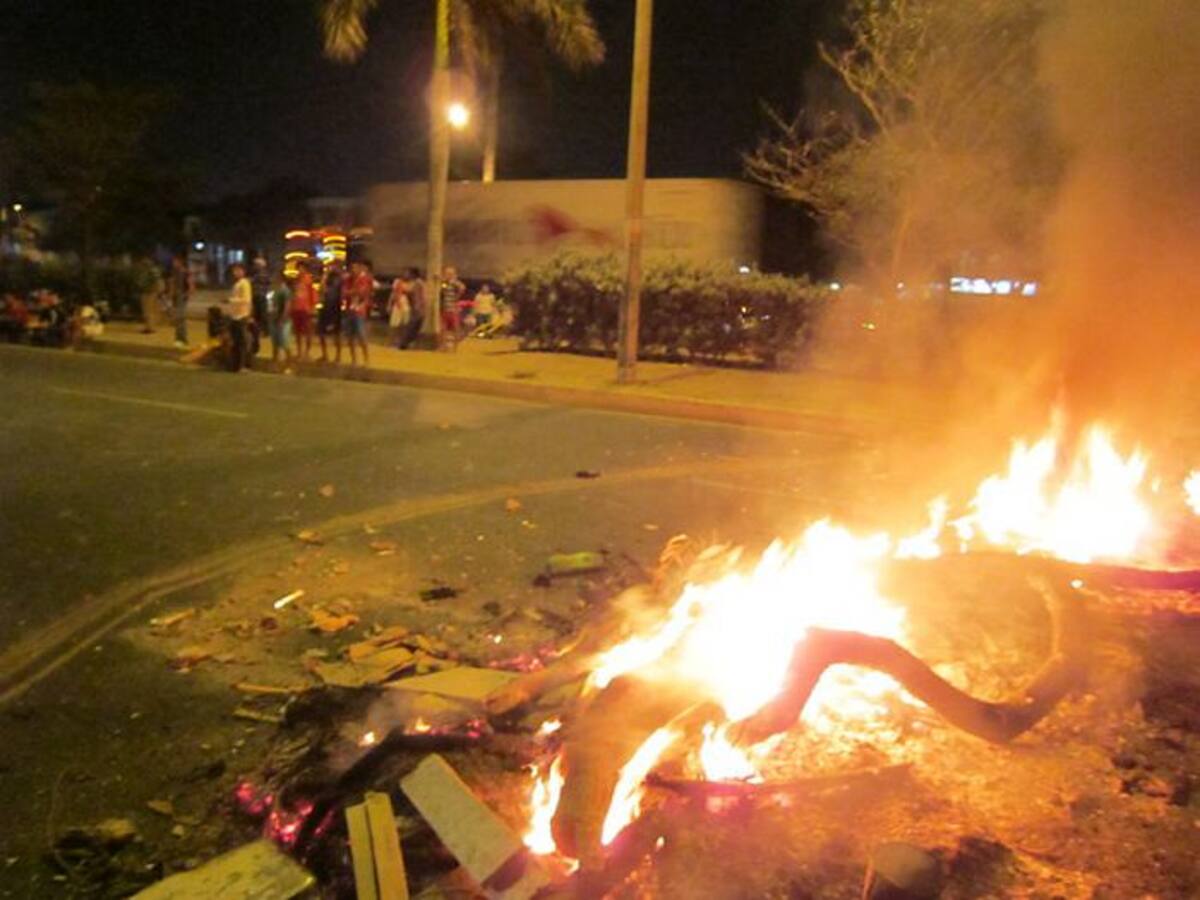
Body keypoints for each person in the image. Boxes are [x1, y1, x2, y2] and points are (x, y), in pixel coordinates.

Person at [343, 259, 373, 366]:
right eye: (352, 268)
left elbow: (362, 293)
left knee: (361, 335)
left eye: (355, 268)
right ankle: (354, 359)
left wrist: (352, 292)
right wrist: (352, 292)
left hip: (359, 310)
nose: (353, 270)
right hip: (349, 310)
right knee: (350, 337)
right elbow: (344, 293)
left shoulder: (364, 279)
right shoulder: (348, 280)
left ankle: (366, 359)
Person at [225, 262, 253, 370]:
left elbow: (246, 300)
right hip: (235, 315)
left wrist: (231, 300)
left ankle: (242, 364)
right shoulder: (238, 284)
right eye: (234, 270)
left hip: (241, 315)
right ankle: (236, 364)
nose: (235, 273)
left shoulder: (244, 283)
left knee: (241, 342)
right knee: (236, 342)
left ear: (243, 271)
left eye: (237, 270)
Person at [317, 262, 344, 363]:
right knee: (321, 332)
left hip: (335, 307)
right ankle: (325, 355)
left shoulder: (339, 279)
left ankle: (338, 356)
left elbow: (332, 291)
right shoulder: (327, 278)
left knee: (336, 333)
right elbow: (322, 290)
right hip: (326, 306)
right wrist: (325, 276)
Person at [291, 260, 317, 361]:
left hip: (305, 308)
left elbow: (312, 294)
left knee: (308, 331)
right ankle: (299, 352)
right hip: (296, 308)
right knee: (298, 332)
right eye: (298, 268)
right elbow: (293, 294)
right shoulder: (296, 280)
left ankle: (307, 353)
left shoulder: (308, 279)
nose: (300, 270)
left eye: (302, 268)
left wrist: (313, 307)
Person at [269, 272, 295, 368]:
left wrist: (283, 318)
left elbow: (287, 306)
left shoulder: (285, 291)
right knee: (275, 342)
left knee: (285, 342)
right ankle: (275, 362)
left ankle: (289, 364)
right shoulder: (275, 290)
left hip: (283, 321)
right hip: (275, 319)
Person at [167, 253, 193, 347]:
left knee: (180, 318)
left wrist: (187, 294)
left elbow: (190, 285)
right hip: (177, 296)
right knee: (177, 318)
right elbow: (172, 284)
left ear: (180, 262)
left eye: (175, 261)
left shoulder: (184, 272)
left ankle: (182, 338)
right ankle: (179, 338)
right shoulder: (174, 272)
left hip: (181, 296)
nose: (173, 263)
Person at [438, 265, 465, 350]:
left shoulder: (455, 283)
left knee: (455, 328)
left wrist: (452, 281)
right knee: (443, 329)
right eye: (447, 273)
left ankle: (455, 347)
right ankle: (443, 346)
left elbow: (462, 288)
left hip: (453, 310)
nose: (448, 275)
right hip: (444, 309)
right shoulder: (444, 284)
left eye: (450, 273)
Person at [399, 268, 425, 349]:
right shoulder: (418, 282)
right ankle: (407, 343)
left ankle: (404, 343)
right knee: (414, 326)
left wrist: (401, 286)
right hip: (417, 307)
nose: (406, 275)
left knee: (412, 326)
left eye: (408, 273)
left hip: (417, 307)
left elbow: (411, 292)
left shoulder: (417, 283)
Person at [387, 273, 411, 347]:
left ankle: (400, 342)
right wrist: (389, 304)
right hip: (398, 305)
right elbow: (393, 293)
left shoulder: (411, 284)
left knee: (404, 325)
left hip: (406, 306)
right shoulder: (398, 282)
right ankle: (391, 342)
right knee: (394, 325)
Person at [250, 256, 271, 342]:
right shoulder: (258, 274)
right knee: (258, 315)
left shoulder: (262, 274)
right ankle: (259, 332)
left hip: (260, 296)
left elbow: (253, 281)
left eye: (256, 265)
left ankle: (265, 331)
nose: (254, 266)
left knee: (262, 315)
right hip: (258, 296)